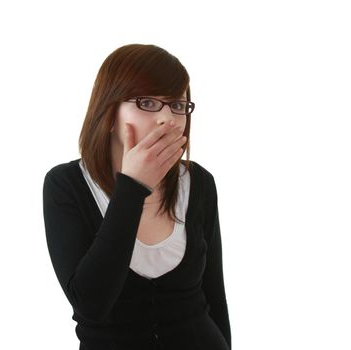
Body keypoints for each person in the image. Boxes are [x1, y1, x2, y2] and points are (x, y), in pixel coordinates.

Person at [42, 43, 231, 350]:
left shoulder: (197, 182)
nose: (167, 119)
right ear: (109, 112)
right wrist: (131, 187)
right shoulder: (66, 185)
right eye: (147, 102)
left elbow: (214, 296)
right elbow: (91, 304)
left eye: (177, 105)